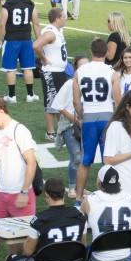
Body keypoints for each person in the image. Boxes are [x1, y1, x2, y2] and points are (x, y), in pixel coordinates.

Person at [73, 39, 119, 199]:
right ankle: (111, 194)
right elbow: (118, 101)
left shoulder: (80, 71)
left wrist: (80, 116)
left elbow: (76, 101)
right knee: (109, 159)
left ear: (91, 52)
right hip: (107, 117)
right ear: (106, 52)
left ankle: (78, 198)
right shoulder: (111, 72)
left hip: (89, 118)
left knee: (86, 161)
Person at [79, 166, 131, 261]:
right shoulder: (127, 198)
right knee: (112, 246)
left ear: (99, 183)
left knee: (83, 253)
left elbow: (80, 221)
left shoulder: (90, 200)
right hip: (126, 260)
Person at [0, 0, 42, 104]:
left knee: (11, 68)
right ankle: (30, 94)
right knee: (28, 67)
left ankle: (12, 96)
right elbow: (36, 23)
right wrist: (39, 39)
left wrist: (0, 39)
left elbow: (2, 24)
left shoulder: (7, 4)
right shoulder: (29, 3)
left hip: (12, 40)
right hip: (26, 39)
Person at [50, 56, 87, 199]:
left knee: (85, 158)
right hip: (70, 125)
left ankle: (80, 187)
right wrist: (75, 119)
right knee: (76, 156)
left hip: (87, 125)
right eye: (81, 66)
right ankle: (72, 187)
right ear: (76, 69)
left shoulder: (92, 84)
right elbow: (58, 105)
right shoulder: (69, 84)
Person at [35, 7, 69, 139]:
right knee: (51, 103)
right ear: (57, 18)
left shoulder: (57, 31)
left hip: (59, 71)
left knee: (60, 102)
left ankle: (61, 129)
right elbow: (36, 45)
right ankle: (50, 132)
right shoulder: (50, 33)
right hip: (51, 72)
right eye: (63, 17)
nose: (65, 19)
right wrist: (43, 59)